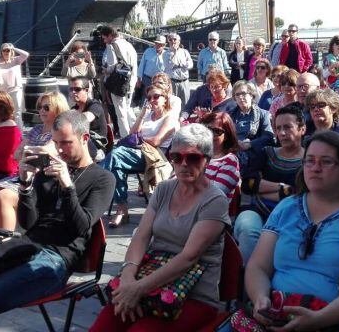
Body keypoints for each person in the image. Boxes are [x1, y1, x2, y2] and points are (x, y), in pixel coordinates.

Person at [0, 111, 115, 331]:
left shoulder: (102, 179)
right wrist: (26, 187)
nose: (60, 150)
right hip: (25, 247)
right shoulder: (47, 171)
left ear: (84, 138)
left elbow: (80, 226)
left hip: (57, 259)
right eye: (56, 143)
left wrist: (68, 187)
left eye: (66, 143)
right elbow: (29, 222)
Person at [240, 130, 339, 331]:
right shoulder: (287, 207)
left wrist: (320, 319)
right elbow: (257, 267)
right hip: (281, 318)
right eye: (309, 161)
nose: (315, 168)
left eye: (326, 162)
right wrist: (261, 299)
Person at [90, 124, 230, 332]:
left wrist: (138, 289)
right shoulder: (164, 189)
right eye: (176, 157)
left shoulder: (215, 201)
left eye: (192, 158)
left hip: (194, 294)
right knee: (106, 323)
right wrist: (128, 278)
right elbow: (141, 237)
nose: (183, 164)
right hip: (150, 278)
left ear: (207, 160)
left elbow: (188, 257)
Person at [0, 91, 69, 235]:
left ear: (58, 109)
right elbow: (17, 154)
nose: (41, 111)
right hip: (24, 174)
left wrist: (28, 151)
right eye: (40, 107)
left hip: (44, 181)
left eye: (46, 108)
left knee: (4, 196)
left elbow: (46, 150)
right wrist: (31, 151)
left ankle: (3, 246)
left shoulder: (60, 131)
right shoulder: (36, 129)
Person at [235, 104, 306, 263]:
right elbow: (248, 185)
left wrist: (262, 188)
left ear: (302, 128)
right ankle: (247, 280)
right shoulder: (266, 153)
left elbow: (300, 194)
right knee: (248, 229)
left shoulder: (310, 160)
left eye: (287, 127)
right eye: (278, 128)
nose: (281, 133)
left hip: (293, 216)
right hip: (256, 210)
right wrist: (283, 189)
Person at [103, 83, 177, 228]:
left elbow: (156, 141)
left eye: (156, 96)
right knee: (117, 165)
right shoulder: (148, 116)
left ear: (165, 98)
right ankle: (121, 209)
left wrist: (139, 140)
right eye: (149, 98)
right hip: (136, 153)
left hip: (154, 157)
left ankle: (97, 177)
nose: (152, 100)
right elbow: (132, 133)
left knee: (116, 155)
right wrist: (142, 115)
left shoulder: (170, 117)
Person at [228, 81, 275, 176]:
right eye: (237, 94)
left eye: (244, 93)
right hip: (232, 152)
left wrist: (250, 144)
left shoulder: (263, 114)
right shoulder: (229, 115)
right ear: (234, 98)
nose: (241, 97)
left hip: (253, 153)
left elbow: (269, 136)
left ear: (251, 95)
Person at [102, 25, 139, 138]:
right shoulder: (129, 45)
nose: (104, 41)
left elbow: (112, 67)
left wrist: (104, 70)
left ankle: (125, 137)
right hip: (130, 81)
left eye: (104, 38)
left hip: (118, 83)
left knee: (120, 112)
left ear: (110, 35)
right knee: (128, 108)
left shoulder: (111, 46)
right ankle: (136, 132)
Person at [200, 112, 241, 202]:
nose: (210, 134)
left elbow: (213, 197)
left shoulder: (229, 161)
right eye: (207, 129)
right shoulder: (198, 155)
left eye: (216, 131)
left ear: (226, 136)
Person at [69, 77, 107, 160]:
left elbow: (85, 118)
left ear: (86, 90)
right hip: (80, 145)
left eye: (77, 89)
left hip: (97, 149)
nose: (73, 92)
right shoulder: (73, 109)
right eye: (71, 89)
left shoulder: (95, 105)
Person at [0, 42, 30, 131]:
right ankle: (5, 130)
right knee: (4, 111)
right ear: (1, 52)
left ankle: (19, 132)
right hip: (3, 91)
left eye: (8, 50)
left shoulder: (16, 60)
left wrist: (13, 48)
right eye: (4, 50)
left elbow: (26, 54)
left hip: (16, 89)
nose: (6, 52)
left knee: (17, 112)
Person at [165, 33, 193, 109]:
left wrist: (181, 64)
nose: (172, 41)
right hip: (173, 82)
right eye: (170, 40)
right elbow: (169, 65)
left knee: (186, 104)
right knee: (173, 104)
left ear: (179, 41)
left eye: (174, 39)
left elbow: (190, 64)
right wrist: (174, 53)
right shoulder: (166, 53)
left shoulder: (185, 52)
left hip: (184, 82)